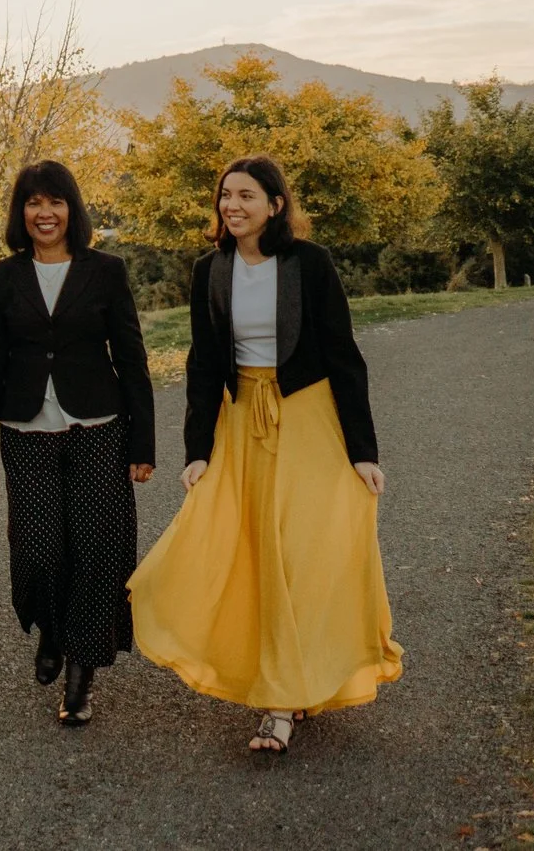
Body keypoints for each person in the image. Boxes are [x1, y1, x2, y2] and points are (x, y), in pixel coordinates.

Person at [128, 156, 404, 753]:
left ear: (275, 205)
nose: (232, 205)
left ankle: (285, 697)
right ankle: (283, 688)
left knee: (300, 552)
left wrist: (363, 451)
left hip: (308, 417)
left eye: (246, 195)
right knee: (254, 552)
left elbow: (344, 355)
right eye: (225, 195)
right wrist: (198, 451)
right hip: (242, 422)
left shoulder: (310, 263)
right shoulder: (210, 270)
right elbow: (204, 365)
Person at [0, 159, 154, 726]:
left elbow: (132, 358)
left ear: (72, 209)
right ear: (20, 212)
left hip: (99, 429)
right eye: (33, 202)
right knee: (39, 552)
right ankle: (51, 628)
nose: (44, 213)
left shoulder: (106, 271)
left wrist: (142, 443)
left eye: (55, 201)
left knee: (98, 552)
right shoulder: (3, 277)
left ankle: (80, 672)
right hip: (25, 433)